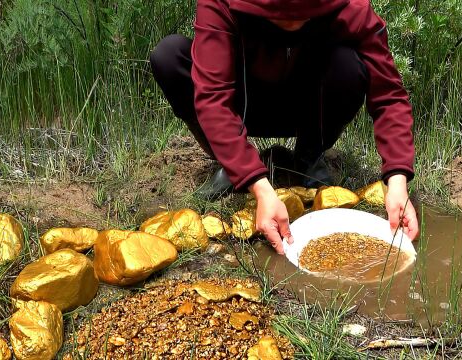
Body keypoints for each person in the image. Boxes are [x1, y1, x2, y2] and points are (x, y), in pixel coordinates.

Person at [150, 0, 419, 255]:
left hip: (308, 108)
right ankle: (234, 164)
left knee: (350, 65)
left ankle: (307, 157)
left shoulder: (351, 8)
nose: (291, 22)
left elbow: (388, 96)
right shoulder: (222, 4)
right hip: (242, 106)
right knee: (169, 55)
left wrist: (397, 181)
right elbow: (212, 97)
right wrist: (259, 187)